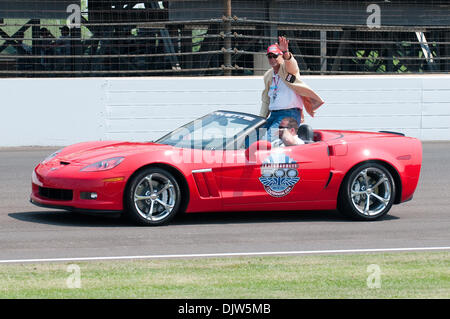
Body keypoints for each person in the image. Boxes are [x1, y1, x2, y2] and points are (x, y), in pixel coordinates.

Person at [261, 36, 324, 142]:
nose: (272, 59)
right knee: (253, 138)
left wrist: (286, 52)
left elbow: (291, 64)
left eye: (275, 56)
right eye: (269, 56)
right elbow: (266, 99)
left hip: (289, 114)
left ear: (281, 56)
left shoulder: (287, 69)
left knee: (268, 141)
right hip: (274, 114)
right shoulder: (268, 75)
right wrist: (261, 118)